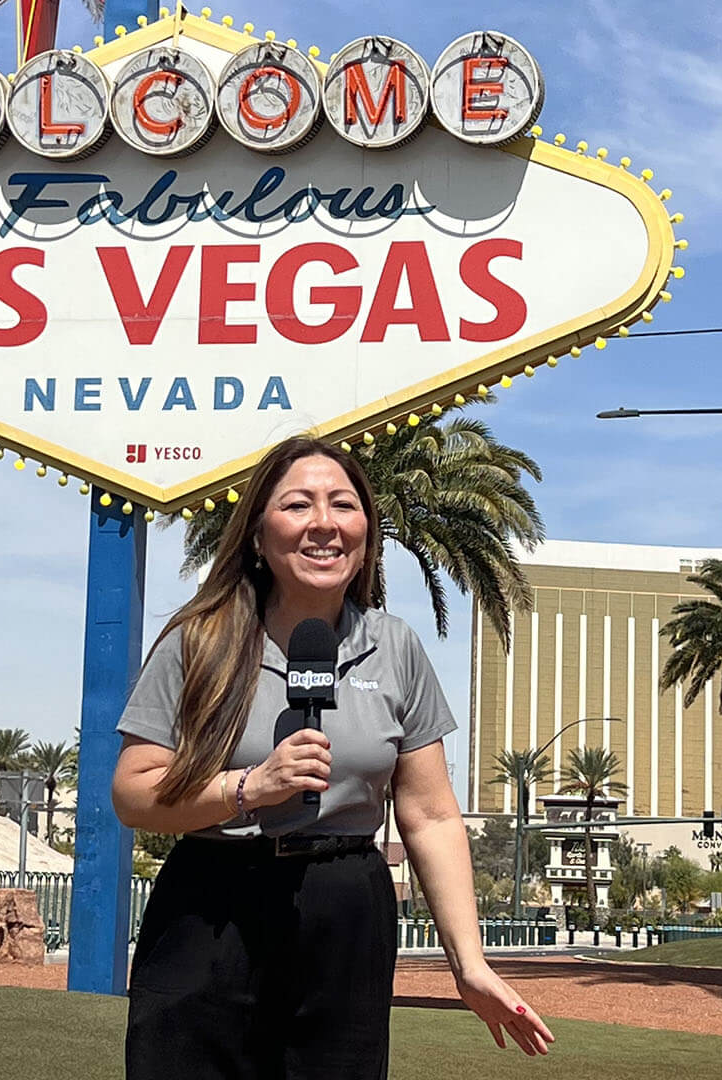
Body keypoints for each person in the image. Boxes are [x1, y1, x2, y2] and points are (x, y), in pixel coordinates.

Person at [112, 436, 553, 1078]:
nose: (324, 523)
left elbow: (430, 816)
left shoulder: (395, 648)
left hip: (344, 909)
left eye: (343, 505)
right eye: (298, 505)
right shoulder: (197, 641)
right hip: (209, 904)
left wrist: (470, 963)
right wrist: (248, 787)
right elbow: (133, 793)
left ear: (367, 535)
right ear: (258, 534)